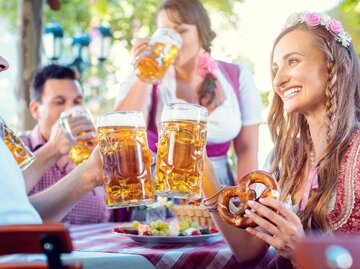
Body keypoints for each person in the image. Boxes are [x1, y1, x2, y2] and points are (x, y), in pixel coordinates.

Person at [201, 11, 360, 268]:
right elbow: (248, 252)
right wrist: (203, 171)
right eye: (276, 68)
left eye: (293, 62)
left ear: (338, 67)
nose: (278, 80)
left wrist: (302, 250)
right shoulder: (284, 156)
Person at [114, 0, 262, 186]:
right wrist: (144, 74)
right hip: (163, 190)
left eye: (181, 30)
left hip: (220, 187)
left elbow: (247, 149)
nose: (171, 39)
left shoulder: (237, 75)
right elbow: (123, 133)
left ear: (201, 31)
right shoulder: (148, 77)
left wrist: (245, 200)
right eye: (164, 31)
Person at [0, 55, 104, 225]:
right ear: (35, 110)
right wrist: (53, 149)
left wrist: (90, 172)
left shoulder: (89, 153)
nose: (71, 109)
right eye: (59, 102)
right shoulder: (15, 150)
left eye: (77, 101)